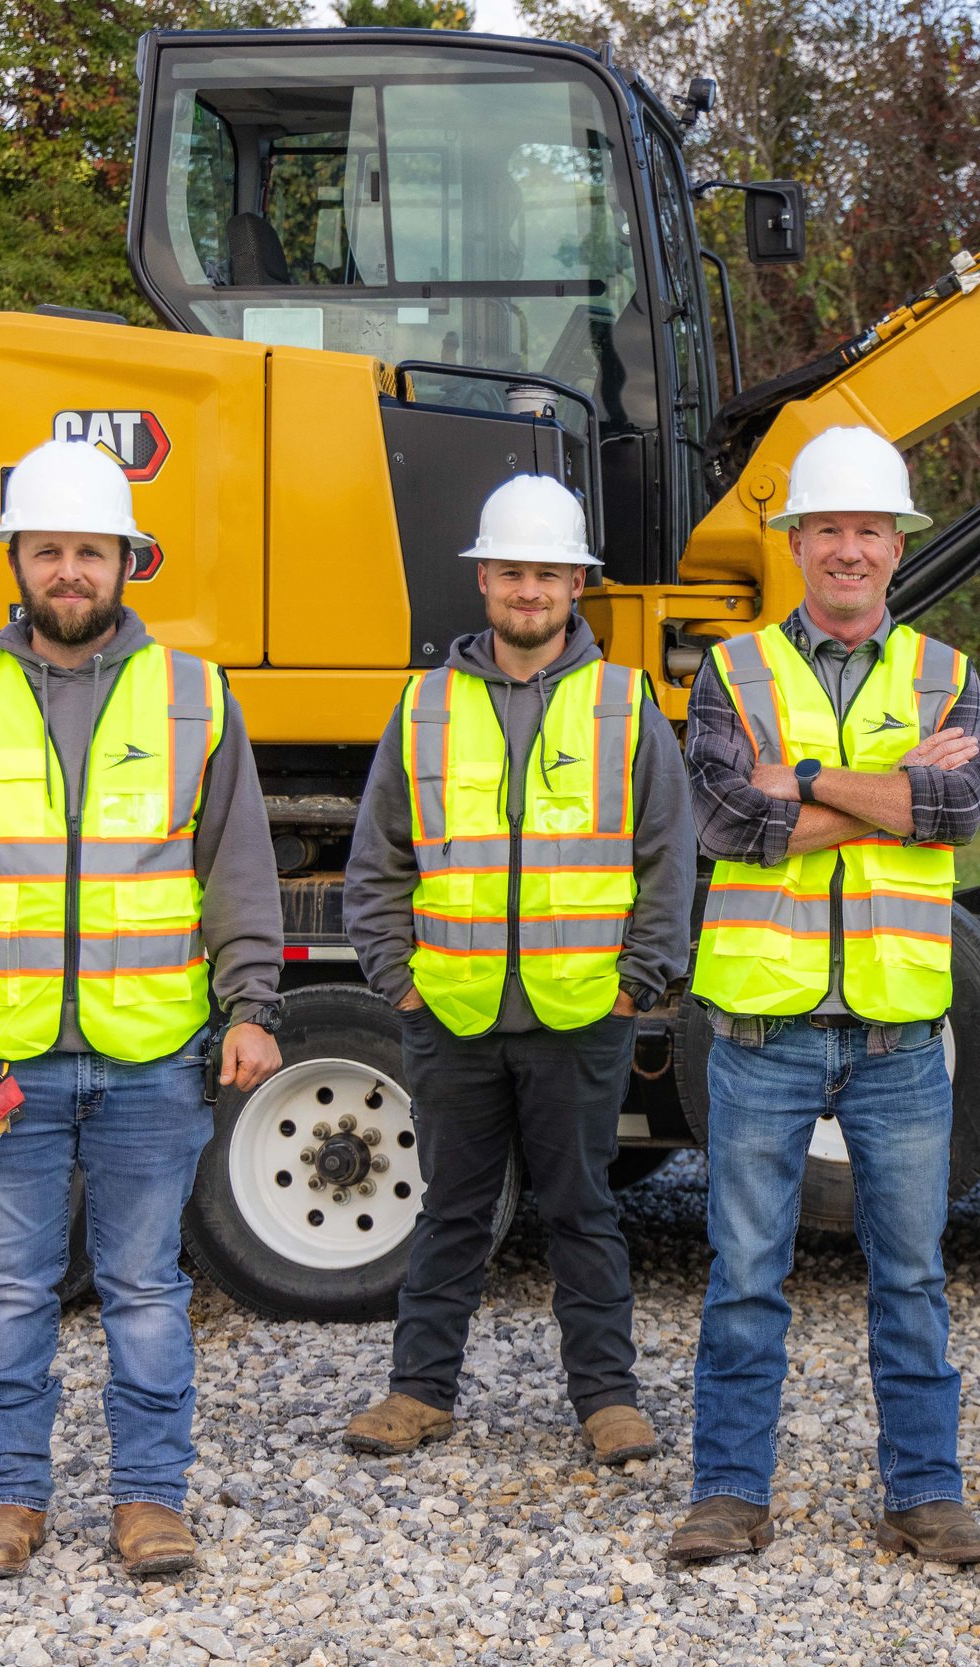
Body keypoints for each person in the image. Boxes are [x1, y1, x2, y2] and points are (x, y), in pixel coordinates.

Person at [0, 438, 286, 1581]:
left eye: (87, 550)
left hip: (150, 1053)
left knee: (147, 1287)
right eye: (46, 549)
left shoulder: (195, 695)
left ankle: (151, 1498)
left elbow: (236, 864)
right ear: (19, 562)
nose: (67, 570)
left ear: (126, 562)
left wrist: (252, 1000)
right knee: (8, 1288)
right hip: (2, 1052)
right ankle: (9, 1499)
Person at [664, 426, 980, 1567]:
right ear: (797, 541)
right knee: (745, 1276)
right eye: (829, 529)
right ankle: (726, 1493)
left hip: (903, 1034)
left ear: (896, 545)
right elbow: (726, 823)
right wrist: (891, 787)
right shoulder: (733, 670)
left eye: (870, 528)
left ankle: (925, 1492)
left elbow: (952, 814)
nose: (849, 548)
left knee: (912, 1277)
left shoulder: (950, 672)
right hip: (761, 1030)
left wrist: (801, 779)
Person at [339, 475, 692, 1467]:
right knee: (451, 1204)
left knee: (582, 1205)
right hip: (448, 1008)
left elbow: (668, 856)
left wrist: (639, 980)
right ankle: (419, 1391)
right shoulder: (425, 706)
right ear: (483, 578)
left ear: (576, 583)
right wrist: (396, 978)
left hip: (584, 1010)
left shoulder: (625, 704)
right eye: (511, 571)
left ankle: (606, 1399)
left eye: (547, 572)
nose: (528, 588)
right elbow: (379, 858)